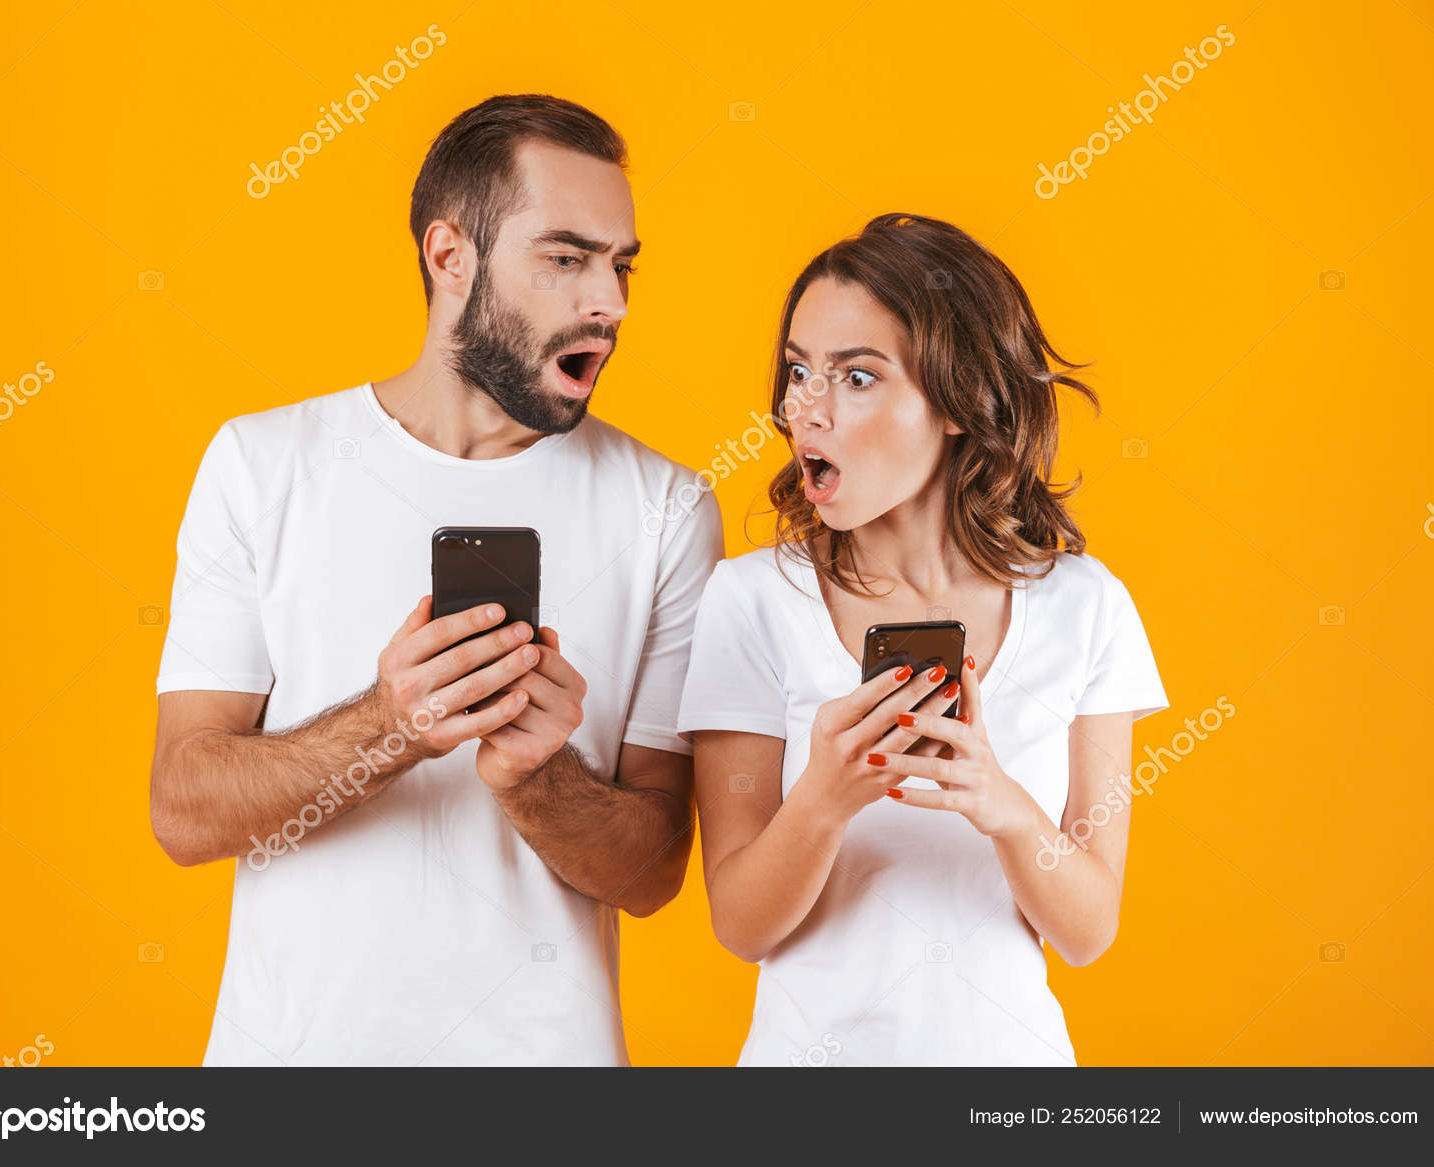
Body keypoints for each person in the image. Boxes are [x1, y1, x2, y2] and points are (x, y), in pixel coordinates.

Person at [150, 95, 722, 1066]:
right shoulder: (263, 464)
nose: (611, 304)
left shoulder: (666, 509)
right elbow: (184, 807)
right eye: (566, 258)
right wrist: (389, 724)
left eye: (621, 266)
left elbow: (654, 869)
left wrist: (539, 778)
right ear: (450, 256)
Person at [676, 213, 1169, 1066]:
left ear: (956, 399)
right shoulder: (754, 600)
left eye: (857, 377)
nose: (807, 408)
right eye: (799, 371)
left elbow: (1088, 930)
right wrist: (825, 795)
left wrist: (1001, 802)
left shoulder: (1085, 607)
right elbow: (741, 923)